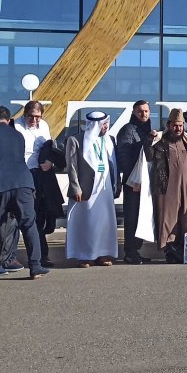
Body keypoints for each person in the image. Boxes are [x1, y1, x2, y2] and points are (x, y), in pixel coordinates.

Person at [0, 106, 51, 282]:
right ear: (8, 120)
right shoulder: (18, 136)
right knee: (29, 225)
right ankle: (36, 267)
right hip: (23, 184)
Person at [65, 111, 120, 267]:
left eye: (106, 124)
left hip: (105, 188)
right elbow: (72, 166)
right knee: (87, 222)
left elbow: (114, 164)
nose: (106, 127)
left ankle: (103, 253)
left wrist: (117, 185)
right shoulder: (76, 140)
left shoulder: (109, 139)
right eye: (103, 125)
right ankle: (85, 255)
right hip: (86, 188)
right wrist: (76, 188)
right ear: (95, 125)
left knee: (105, 222)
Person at [150, 109, 187, 262]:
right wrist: (150, 140)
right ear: (169, 125)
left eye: (180, 125)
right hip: (166, 186)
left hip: (186, 187)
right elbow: (148, 155)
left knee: (185, 217)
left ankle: (182, 247)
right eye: (175, 125)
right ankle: (169, 248)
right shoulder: (161, 142)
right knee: (168, 218)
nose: (178, 129)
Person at [116, 101, 156, 264]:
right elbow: (124, 158)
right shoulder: (127, 130)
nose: (144, 114)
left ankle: (137, 250)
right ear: (133, 112)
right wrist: (134, 181)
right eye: (140, 111)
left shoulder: (148, 130)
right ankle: (130, 251)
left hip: (147, 181)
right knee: (132, 217)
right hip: (133, 183)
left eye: (146, 111)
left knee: (142, 216)